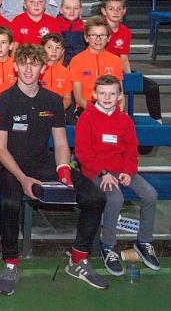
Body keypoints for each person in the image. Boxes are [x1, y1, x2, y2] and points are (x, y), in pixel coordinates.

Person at [0, 44, 108, 295]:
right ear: (16, 66)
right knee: (10, 203)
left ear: (44, 68)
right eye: (24, 63)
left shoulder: (53, 100)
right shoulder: (3, 100)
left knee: (95, 197)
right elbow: (0, 149)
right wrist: (22, 179)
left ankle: (78, 259)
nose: (28, 68)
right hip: (12, 167)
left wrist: (63, 168)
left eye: (34, 64)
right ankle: (10, 262)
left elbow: (62, 142)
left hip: (44, 163)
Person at [74, 75, 160, 276]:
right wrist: (103, 173)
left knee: (150, 194)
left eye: (112, 93)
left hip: (121, 169)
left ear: (120, 96)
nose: (107, 97)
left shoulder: (124, 120)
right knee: (116, 197)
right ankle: (108, 246)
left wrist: (128, 172)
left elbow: (131, 150)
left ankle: (144, 241)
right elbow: (83, 153)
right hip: (95, 171)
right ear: (94, 95)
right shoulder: (87, 118)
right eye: (102, 93)